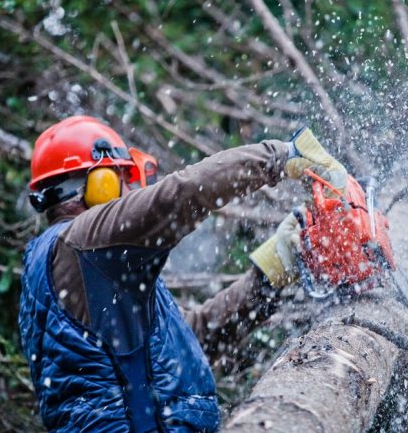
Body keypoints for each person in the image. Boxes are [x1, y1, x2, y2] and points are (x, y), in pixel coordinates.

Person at [18, 115, 346, 432]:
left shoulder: (83, 264)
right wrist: (282, 155)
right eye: (122, 179)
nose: (130, 192)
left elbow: (187, 343)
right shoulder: (85, 243)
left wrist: (268, 277)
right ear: (98, 185)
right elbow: (179, 195)